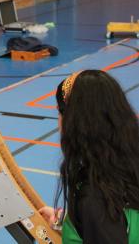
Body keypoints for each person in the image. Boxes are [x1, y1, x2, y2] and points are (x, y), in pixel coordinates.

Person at [39, 70, 139, 243]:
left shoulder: (95, 199)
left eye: (60, 112)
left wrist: (87, 217)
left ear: (75, 123)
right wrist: (71, 223)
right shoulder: (127, 166)